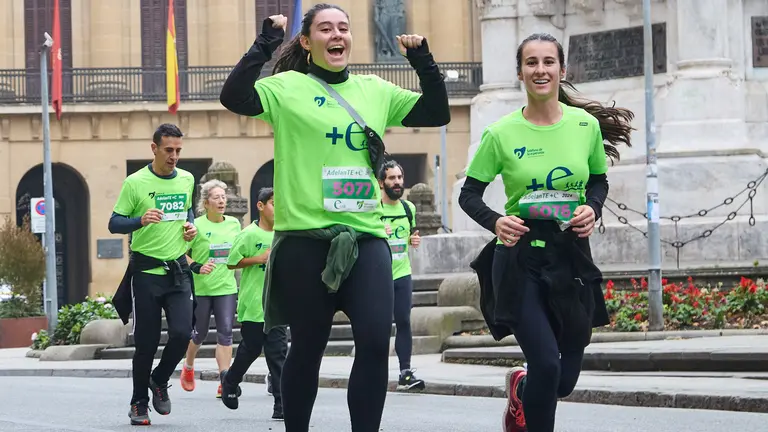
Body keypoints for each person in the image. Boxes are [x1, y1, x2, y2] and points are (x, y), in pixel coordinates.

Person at [218, 4, 450, 431]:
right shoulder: (286, 87)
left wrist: (423, 61)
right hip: (305, 241)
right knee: (307, 347)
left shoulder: (375, 90)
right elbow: (233, 96)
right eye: (325, 28)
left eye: (343, 27)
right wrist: (265, 44)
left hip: (365, 238)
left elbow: (436, 113)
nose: (337, 34)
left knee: (377, 341)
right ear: (307, 42)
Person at [458, 33, 634, 432]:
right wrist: (496, 221)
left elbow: (598, 182)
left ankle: (522, 391)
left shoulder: (584, 125)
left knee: (563, 380)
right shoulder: (500, 133)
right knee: (545, 363)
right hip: (520, 256)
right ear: (520, 72)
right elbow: (469, 194)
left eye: (548, 62)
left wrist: (592, 207)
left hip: (570, 253)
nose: (541, 70)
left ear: (562, 70)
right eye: (532, 63)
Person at [108, 123, 198, 426]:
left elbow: (187, 211)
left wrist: (191, 226)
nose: (174, 156)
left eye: (178, 151)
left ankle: (159, 378)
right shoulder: (135, 183)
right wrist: (139, 220)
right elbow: (114, 223)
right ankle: (138, 403)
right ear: (154, 148)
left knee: (183, 333)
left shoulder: (186, 179)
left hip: (178, 270)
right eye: (168, 150)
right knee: (146, 342)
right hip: (146, 272)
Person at [220, 187, 287, 420]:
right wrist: (258, 259)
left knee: (278, 353)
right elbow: (231, 262)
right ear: (260, 206)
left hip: (276, 305)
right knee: (251, 349)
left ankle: (281, 404)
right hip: (253, 303)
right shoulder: (248, 234)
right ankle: (230, 381)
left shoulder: (284, 233)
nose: (277, 209)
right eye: (272, 204)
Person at [179, 179, 242, 398]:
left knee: (226, 333)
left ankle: (224, 380)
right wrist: (197, 266)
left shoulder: (234, 224)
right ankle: (188, 365)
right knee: (199, 333)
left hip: (226, 286)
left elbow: (239, 250)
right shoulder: (195, 225)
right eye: (216, 197)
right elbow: (181, 254)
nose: (221, 200)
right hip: (202, 288)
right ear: (206, 203)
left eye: (224, 197)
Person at [378, 160, 425, 391]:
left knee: (404, 322)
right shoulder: (374, 209)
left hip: (402, 273)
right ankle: (374, 372)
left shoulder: (408, 209)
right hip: (378, 277)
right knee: (380, 325)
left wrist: (412, 241)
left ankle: (405, 373)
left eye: (399, 178)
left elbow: (409, 236)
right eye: (391, 178)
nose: (397, 183)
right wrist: (378, 231)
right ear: (381, 182)